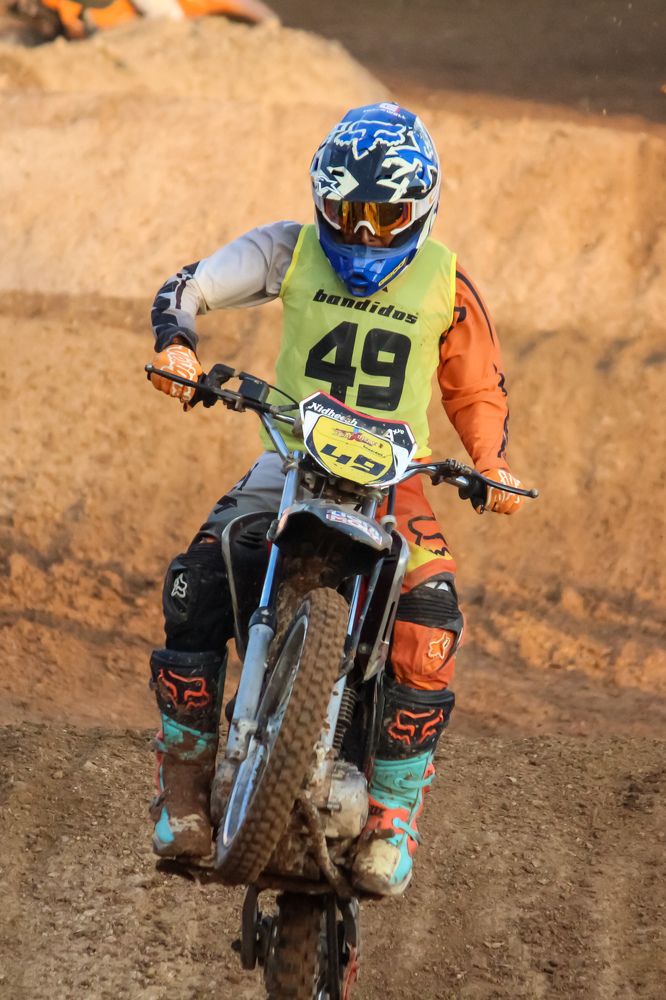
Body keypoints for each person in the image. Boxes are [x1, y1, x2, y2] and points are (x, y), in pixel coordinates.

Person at [147, 102, 526, 897]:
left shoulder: (447, 283)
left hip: (395, 479)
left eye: (382, 217)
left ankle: (392, 817)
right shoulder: (289, 248)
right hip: (290, 457)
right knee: (196, 582)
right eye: (345, 213)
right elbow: (192, 284)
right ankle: (183, 794)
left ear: (420, 208)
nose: (360, 233)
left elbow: (476, 387)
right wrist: (178, 343)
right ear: (320, 199)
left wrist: (491, 463)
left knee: (432, 622)